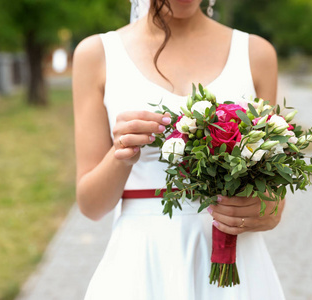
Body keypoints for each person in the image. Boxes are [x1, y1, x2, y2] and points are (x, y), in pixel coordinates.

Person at [72, 0, 286, 299]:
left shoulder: (256, 53)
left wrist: (271, 207)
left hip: (235, 262)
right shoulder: (97, 55)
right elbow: (91, 205)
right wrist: (120, 156)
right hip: (144, 264)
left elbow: (271, 186)